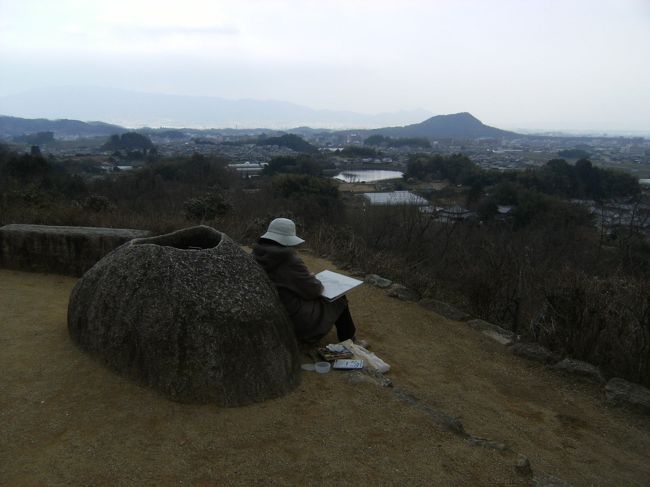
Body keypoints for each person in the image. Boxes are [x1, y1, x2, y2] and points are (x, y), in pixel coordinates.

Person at [253, 217, 360, 344]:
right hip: (293, 317)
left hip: (274, 311)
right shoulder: (287, 259)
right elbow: (314, 290)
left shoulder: (256, 254)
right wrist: (311, 277)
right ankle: (349, 340)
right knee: (339, 298)